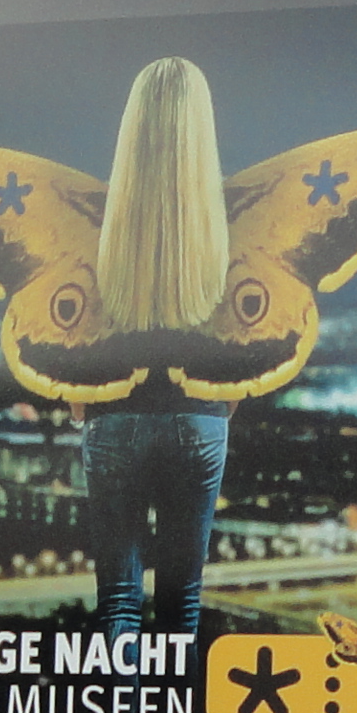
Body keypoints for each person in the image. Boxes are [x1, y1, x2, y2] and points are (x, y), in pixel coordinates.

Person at [77, 55, 231, 640]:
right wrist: (218, 405)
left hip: (112, 417)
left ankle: (122, 707)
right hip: (201, 417)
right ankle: (176, 705)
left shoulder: (96, 223)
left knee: (118, 600)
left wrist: (83, 401)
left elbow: (72, 336)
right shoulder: (227, 225)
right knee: (182, 601)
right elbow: (246, 345)